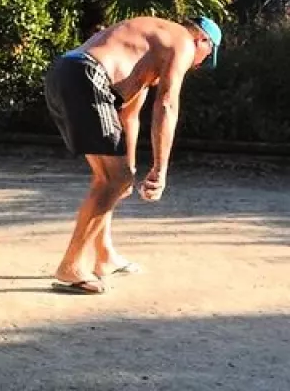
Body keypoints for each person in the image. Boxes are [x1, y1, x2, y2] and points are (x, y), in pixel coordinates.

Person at [44, 15, 222, 294]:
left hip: (65, 72)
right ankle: (71, 266)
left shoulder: (147, 50)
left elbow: (128, 116)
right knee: (115, 180)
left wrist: (130, 167)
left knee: (111, 179)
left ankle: (104, 256)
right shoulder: (183, 41)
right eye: (205, 58)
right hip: (87, 76)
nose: (196, 66)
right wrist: (161, 170)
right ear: (202, 41)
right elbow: (167, 105)